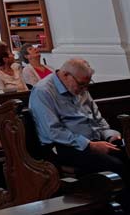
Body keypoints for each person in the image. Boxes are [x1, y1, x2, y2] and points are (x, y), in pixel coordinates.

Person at [29, 59, 127, 193]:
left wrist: (109, 135)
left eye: (87, 85)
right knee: (115, 165)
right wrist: (90, 145)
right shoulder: (43, 91)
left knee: (126, 153)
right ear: (65, 75)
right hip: (64, 147)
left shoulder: (80, 87)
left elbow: (96, 118)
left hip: (93, 140)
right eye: (81, 84)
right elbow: (53, 132)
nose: (84, 89)